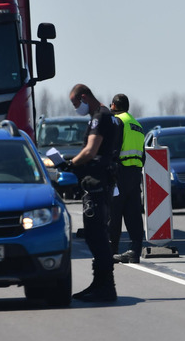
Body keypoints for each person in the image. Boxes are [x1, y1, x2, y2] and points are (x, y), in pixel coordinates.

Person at [61, 84, 120, 302]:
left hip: (97, 182)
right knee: (97, 236)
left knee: (97, 237)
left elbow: (91, 150)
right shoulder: (106, 115)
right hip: (100, 181)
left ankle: (105, 287)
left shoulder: (100, 116)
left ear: (84, 97)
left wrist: (70, 164)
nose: (76, 107)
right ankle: (100, 283)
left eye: (75, 103)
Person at [109, 94, 146, 264]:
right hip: (135, 173)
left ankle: (111, 250)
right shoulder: (137, 125)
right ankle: (135, 251)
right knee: (133, 214)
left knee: (114, 212)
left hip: (120, 172)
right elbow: (143, 155)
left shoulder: (118, 122)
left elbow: (114, 148)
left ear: (115, 106)